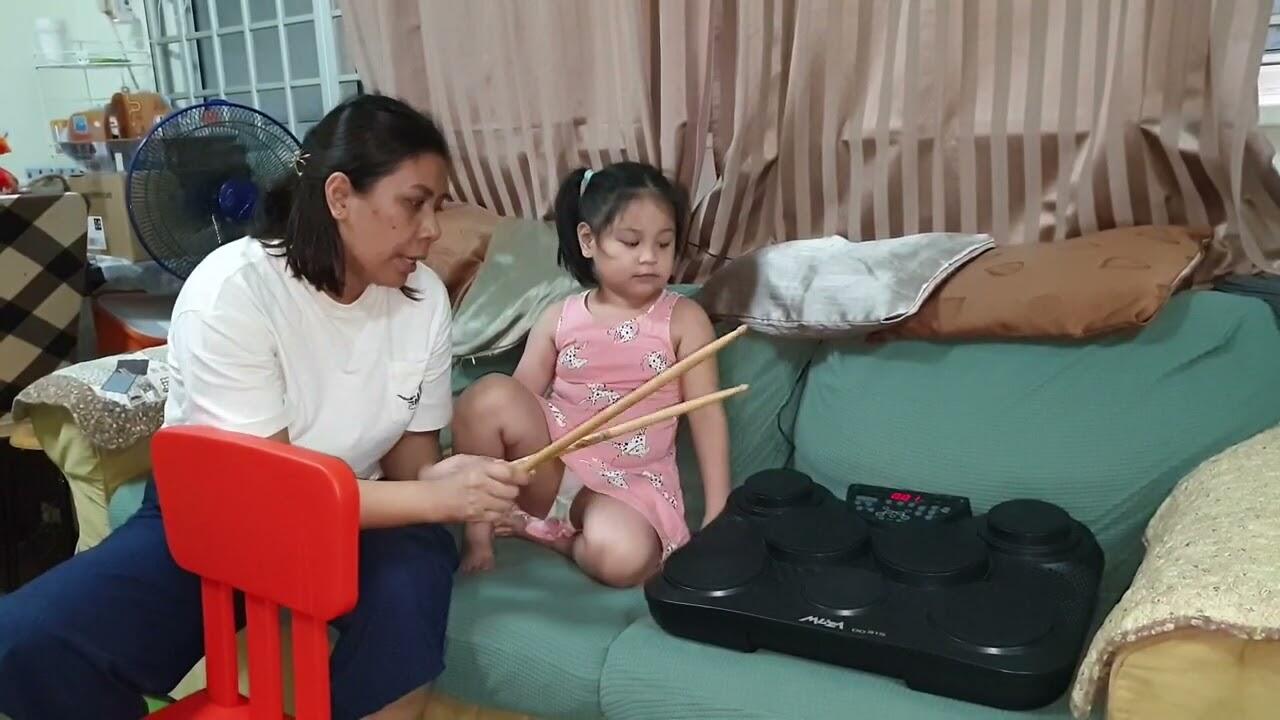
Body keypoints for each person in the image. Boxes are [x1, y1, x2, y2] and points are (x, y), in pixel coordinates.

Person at [0, 94, 528, 720]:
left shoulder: (423, 298)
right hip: (222, 511)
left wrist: (448, 482)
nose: (433, 229)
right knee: (23, 642)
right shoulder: (236, 289)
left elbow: (411, 471)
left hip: (358, 513)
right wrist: (438, 498)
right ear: (339, 196)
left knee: (413, 574)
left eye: (437, 206)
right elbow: (271, 496)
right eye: (415, 203)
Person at [451, 161, 731, 587]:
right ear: (588, 240)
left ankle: (550, 536)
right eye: (631, 241)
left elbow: (707, 413)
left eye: (664, 243)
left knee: (624, 558)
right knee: (489, 397)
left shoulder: (684, 319)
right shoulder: (559, 316)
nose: (649, 257)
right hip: (553, 465)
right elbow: (518, 399)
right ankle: (479, 534)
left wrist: (718, 513)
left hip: (630, 484)